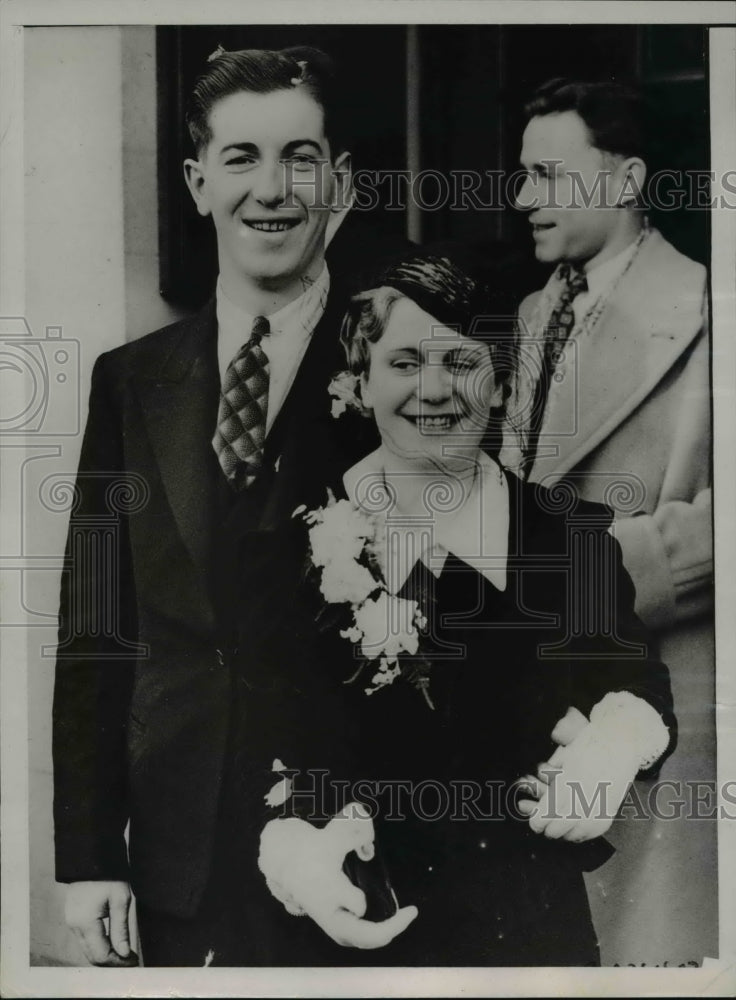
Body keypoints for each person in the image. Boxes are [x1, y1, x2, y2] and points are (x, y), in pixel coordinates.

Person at [52, 45, 403, 967]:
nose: (273, 188)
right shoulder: (129, 383)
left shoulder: (411, 368)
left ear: (342, 183)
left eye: (301, 156)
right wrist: (89, 856)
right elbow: (97, 629)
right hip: (179, 865)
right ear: (198, 181)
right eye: (241, 157)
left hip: (359, 857)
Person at [227, 250, 677, 966]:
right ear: (360, 382)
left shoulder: (568, 537)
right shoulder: (285, 554)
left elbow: (637, 681)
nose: (433, 390)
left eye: (462, 364)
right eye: (404, 363)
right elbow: (252, 747)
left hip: (522, 934)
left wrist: (618, 740)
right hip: (344, 930)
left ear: (501, 386)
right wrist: (291, 849)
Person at [508, 79, 713, 963]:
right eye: (521, 176)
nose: (521, 200)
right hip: (548, 702)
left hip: (668, 689)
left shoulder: (710, 310)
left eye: (548, 176)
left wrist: (597, 575)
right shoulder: (531, 314)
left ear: (626, 180)